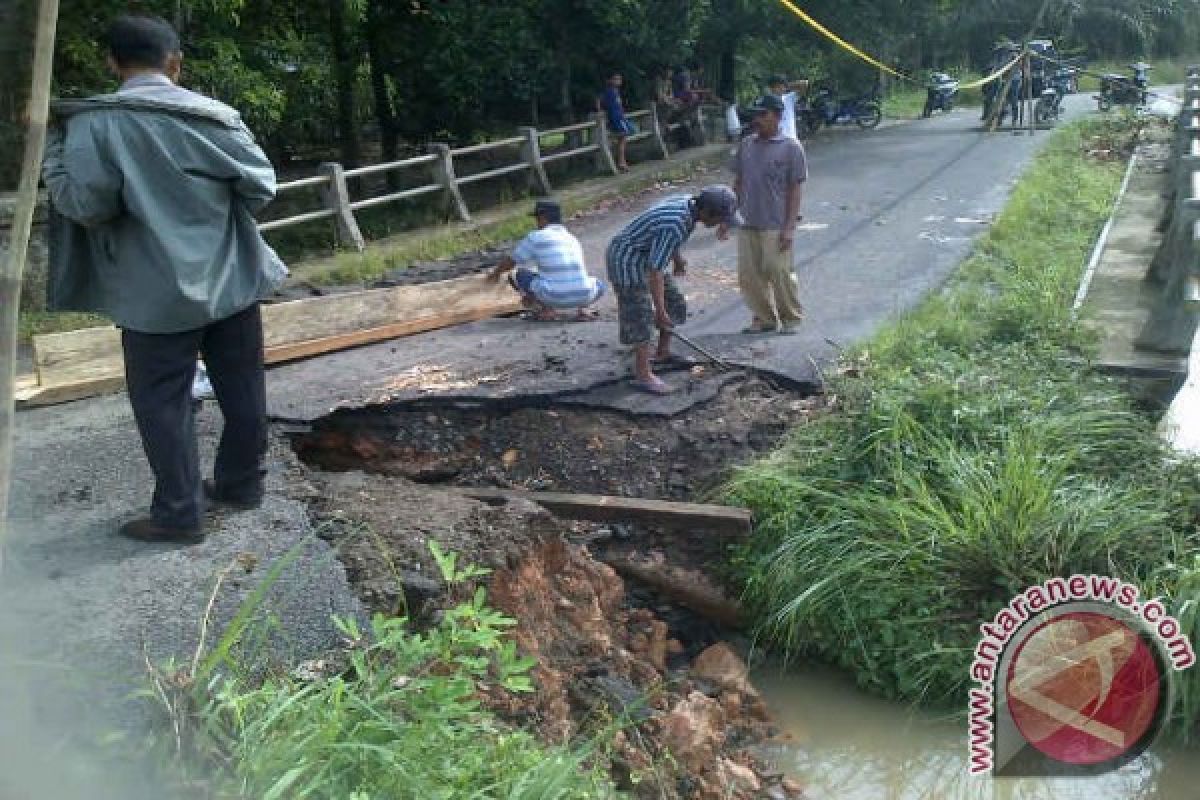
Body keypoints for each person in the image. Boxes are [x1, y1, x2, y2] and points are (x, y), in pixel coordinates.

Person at [42, 14, 286, 544]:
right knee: (244, 390)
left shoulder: (92, 126)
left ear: (112, 62)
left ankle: (180, 514)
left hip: (154, 296)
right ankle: (243, 486)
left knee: (164, 405)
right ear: (175, 63)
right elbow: (261, 188)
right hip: (231, 279)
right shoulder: (217, 118)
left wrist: (54, 151)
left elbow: (85, 205)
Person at [606, 186, 739, 395]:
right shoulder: (676, 223)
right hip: (627, 258)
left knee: (675, 302)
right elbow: (655, 269)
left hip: (647, 255)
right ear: (706, 212)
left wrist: (677, 259)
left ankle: (663, 352)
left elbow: (663, 240)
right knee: (640, 314)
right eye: (720, 218)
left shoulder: (689, 206)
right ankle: (643, 375)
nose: (721, 223)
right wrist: (659, 310)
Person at [732, 94, 807, 335]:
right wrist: (728, 215)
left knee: (779, 271)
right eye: (756, 114)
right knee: (750, 276)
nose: (758, 119)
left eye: (763, 114)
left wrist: (789, 227)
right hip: (747, 220)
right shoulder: (747, 144)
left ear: (778, 116)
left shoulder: (791, 148)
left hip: (775, 222)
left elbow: (795, 189)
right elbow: (739, 181)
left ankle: (791, 318)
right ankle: (764, 319)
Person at [488, 200, 606, 321]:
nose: (537, 223)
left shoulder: (536, 237)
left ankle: (546, 310)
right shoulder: (571, 238)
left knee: (518, 274)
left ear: (543, 218)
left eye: (537, 219)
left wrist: (495, 274)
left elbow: (511, 261)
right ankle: (583, 310)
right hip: (584, 295)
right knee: (599, 284)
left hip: (553, 297)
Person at [600, 71, 634, 171]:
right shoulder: (610, 92)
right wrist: (617, 119)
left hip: (620, 118)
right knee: (622, 139)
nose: (619, 81)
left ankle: (622, 161)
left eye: (619, 79)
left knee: (622, 140)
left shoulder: (615, 91)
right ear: (610, 80)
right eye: (616, 79)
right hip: (616, 119)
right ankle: (621, 162)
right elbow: (612, 108)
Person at [767, 75, 808, 141]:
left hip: (792, 139)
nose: (780, 88)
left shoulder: (789, 98)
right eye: (777, 87)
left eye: (782, 86)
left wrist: (787, 85)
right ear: (771, 88)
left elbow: (805, 83)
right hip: (776, 141)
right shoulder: (766, 101)